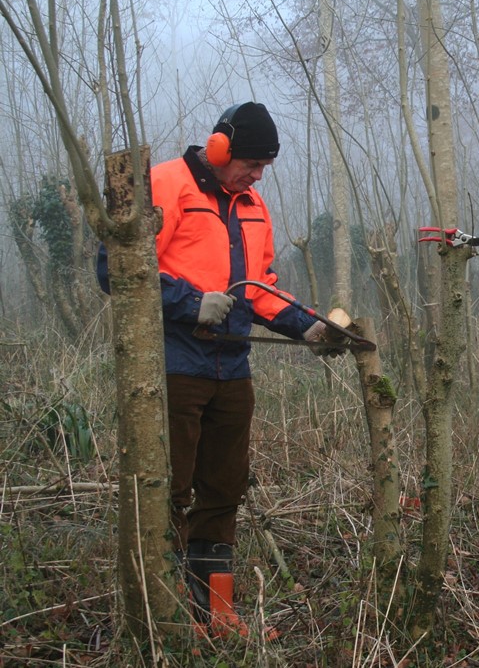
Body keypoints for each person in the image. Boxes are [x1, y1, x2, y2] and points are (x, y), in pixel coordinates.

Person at [98, 102, 339, 633]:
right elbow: (115, 267)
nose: (256, 175)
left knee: (224, 491)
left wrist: (311, 327)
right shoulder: (163, 184)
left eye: (262, 168)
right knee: (169, 489)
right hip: (173, 365)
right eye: (250, 163)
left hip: (232, 370)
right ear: (219, 149)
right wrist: (189, 302)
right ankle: (163, 614)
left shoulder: (253, 204)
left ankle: (216, 613)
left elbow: (261, 289)